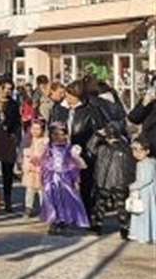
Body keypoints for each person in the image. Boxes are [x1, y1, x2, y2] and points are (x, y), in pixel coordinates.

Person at [50, 81, 107, 226]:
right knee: (62, 185)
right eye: (67, 95)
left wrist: (90, 149)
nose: (67, 98)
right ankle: (62, 217)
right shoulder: (59, 109)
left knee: (86, 186)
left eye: (71, 96)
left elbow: (101, 131)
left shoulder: (91, 110)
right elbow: (53, 128)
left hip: (83, 153)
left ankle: (88, 216)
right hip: (62, 153)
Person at [41, 122, 90, 236]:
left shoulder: (70, 149)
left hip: (65, 178)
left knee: (67, 199)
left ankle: (65, 222)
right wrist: (45, 174)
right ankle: (54, 222)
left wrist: (75, 178)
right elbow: (43, 163)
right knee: (52, 199)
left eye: (61, 134)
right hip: (52, 178)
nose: (58, 137)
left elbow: (75, 165)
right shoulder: (48, 148)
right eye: (55, 134)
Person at [88, 123, 135, 238]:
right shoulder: (126, 148)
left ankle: (97, 226)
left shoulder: (102, 147)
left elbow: (90, 147)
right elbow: (131, 166)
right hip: (120, 181)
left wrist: (97, 135)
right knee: (121, 206)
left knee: (101, 205)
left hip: (104, 181)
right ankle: (124, 228)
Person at [0, 79, 21, 214]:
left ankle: (8, 200)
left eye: (10, 89)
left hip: (8, 138)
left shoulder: (13, 104)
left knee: (8, 171)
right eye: (6, 88)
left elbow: (17, 122)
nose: (8, 91)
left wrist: (16, 136)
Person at [128, 139, 155, 244]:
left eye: (140, 150)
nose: (137, 153)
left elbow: (146, 179)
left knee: (144, 213)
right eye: (134, 150)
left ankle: (145, 235)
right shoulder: (148, 162)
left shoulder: (146, 163)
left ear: (147, 151)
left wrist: (132, 186)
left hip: (146, 193)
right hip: (146, 193)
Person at [21, 119, 48, 218]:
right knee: (30, 190)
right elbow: (24, 153)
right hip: (30, 169)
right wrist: (25, 165)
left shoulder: (45, 141)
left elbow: (47, 154)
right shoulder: (28, 140)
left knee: (42, 190)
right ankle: (28, 208)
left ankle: (44, 208)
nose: (35, 131)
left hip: (41, 169)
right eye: (33, 129)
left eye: (38, 129)